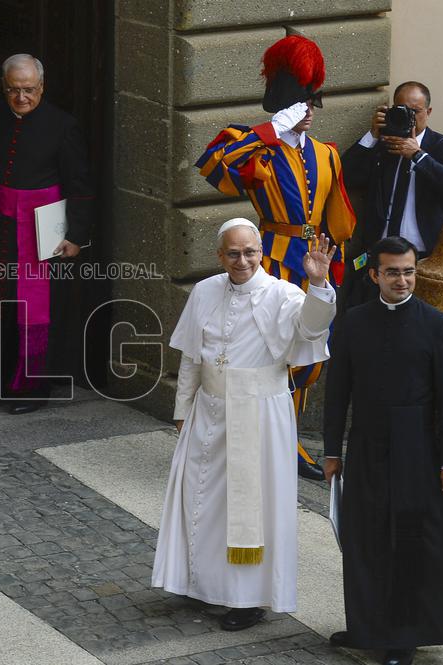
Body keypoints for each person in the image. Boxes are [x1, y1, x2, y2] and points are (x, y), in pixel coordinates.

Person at [152, 218, 337, 630]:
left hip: (258, 414)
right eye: (233, 253)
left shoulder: (283, 294)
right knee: (201, 499)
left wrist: (320, 285)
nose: (242, 260)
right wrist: (182, 411)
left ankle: (246, 599)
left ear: (261, 253)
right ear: (220, 255)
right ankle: (200, 583)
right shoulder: (204, 291)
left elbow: (311, 327)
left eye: (249, 252)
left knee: (251, 508)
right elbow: (191, 358)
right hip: (209, 409)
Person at [195, 34, 355, 480]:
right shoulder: (254, 145)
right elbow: (213, 169)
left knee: (308, 359)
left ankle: (287, 439)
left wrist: (337, 271)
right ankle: (258, 438)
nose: (305, 112)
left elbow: (339, 221)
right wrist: (269, 131)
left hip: (315, 265)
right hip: (272, 263)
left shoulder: (326, 154)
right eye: (298, 104)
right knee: (267, 354)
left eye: (308, 103)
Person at [323, 236, 443, 665]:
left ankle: (402, 637)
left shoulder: (436, 323)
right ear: (374, 275)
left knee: (408, 541)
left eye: (409, 271)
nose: (403, 280)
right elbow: (338, 393)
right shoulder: (353, 322)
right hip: (368, 442)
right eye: (393, 271)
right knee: (365, 538)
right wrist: (332, 451)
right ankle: (368, 626)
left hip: (417, 450)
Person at [0, 53, 95, 415]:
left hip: (42, 230)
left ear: (42, 87)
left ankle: (31, 391)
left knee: (35, 312)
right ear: (3, 88)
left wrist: (76, 235)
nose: (22, 98)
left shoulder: (63, 126)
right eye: (14, 90)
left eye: (29, 90)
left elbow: (79, 186)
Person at [339, 82, 443, 308]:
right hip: (381, 253)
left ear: (429, 112)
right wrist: (372, 136)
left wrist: (418, 155)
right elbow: (346, 176)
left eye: (415, 111)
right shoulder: (384, 143)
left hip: (425, 257)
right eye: (401, 109)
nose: (410, 117)